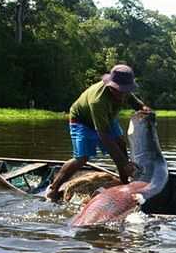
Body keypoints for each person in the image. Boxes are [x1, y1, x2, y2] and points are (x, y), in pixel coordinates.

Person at [45, 64, 150, 201]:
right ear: (111, 86)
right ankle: (53, 188)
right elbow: (104, 136)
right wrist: (125, 164)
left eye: (126, 91)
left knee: (121, 144)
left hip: (107, 118)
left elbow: (138, 105)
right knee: (82, 158)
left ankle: (125, 183)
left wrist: (145, 109)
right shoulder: (98, 101)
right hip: (82, 120)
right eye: (120, 91)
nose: (123, 95)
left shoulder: (124, 92)